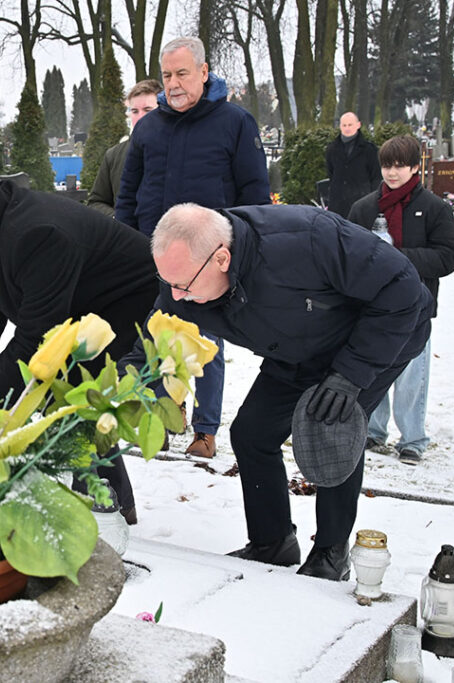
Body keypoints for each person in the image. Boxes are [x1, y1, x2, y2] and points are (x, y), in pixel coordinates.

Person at [139, 202, 433, 580]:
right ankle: (272, 542)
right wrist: (128, 381)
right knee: (252, 433)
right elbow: (154, 331)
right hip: (294, 345)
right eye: (169, 283)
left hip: (373, 335)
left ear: (222, 258)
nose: (176, 296)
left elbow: (401, 289)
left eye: (183, 285)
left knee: (332, 427)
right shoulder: (185, 281)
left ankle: (330, 553)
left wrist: (351, 374)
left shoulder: (307, 238)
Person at [0, 173, 161, 524]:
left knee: (76, 397)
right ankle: (115, 502)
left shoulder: (36, 234)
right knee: (64, 395)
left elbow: (36, 341)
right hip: (81, 308)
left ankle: (100, 512)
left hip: (131, 306)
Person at [115, 36, 271, 459]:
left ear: (204, 72)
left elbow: (255, 194)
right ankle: (160, 421)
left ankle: (205, 429)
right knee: (154, 342)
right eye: (167, 75)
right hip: (155, 256)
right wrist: (124, 245)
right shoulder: (148, 129)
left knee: (207, 345)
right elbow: (128, 195)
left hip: (210, 259)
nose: (174, 83)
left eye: (183, 73)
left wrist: (240, 253)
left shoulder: (236, 123)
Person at [347, 135, 454, 465]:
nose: (392, 172)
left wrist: (397, 256)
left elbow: (447, 257)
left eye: (399, 165)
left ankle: (412, 439)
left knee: (412, 375)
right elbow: (347, 254)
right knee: (373, 370)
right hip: (370, 306)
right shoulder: (364, 208)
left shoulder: (435, 208)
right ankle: (372, 429)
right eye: (386, 165)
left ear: (415, 167)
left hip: (414, 307)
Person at [85, 79, 161, 216]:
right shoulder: (113, 155)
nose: (141, 117)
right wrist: (118, 220)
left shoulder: (177, 150)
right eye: (135, 111)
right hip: (126, 235)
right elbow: (96, 202)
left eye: (147, 110)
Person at [325, 112, 382, 219]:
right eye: (344, 125)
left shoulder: (369, 150)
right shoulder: (332, 149)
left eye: (350, 125)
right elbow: (331, 173)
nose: (347, 128)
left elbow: (376, 176)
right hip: (338, 203)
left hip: (361, 201)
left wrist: (373, 200)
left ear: (358, 125)